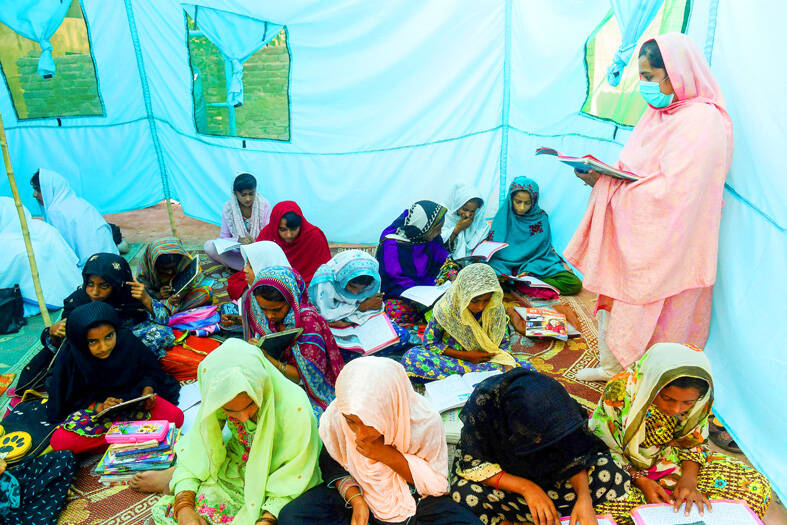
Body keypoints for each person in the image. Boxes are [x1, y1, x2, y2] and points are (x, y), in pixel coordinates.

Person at [565, 34, 733, 381]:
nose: (643, 85)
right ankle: (613, 367)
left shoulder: (702, 121)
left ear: (675, 74)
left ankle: (646, 379)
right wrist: (603, 178)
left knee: (658, 317)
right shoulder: (660, 113)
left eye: (648, 76)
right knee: (618, 302)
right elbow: (635, 169)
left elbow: (677, 195)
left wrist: (608, 187)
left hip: (670, 242)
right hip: (636, 230)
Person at [278, 357, 481, 525]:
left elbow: (435, 483)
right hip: (359, 490)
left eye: (369, 422)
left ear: (389, 408)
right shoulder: (339, 412)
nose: (359, 435)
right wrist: (357, 501)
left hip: (414, 499)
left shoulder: (423, 421)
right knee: (292, 517)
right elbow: (332, 463)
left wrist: (386, 455)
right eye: (351, 422)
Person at [589, 343, 772, 521]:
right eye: (667, 398)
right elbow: (603, 445)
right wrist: (641, 480)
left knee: (755, 487)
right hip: (625, 468)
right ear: (652, 384)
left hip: (674, 461)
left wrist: (689, 480)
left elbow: (694, 442)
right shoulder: (620, 392)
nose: (676, 409)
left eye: (687, 403)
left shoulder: (700, 401)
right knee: (600, 507)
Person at [150, 338, 322, 525]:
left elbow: (295, 474)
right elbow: (198, 447)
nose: (243, 418)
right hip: (238, 466)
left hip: (278, 477)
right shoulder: (220, 393)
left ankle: (173, 476)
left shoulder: (295, 408)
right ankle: (177, 477)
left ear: (261, 386)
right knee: (169, 517)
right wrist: (184, 506)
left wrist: (266, 519)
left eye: (250, 405)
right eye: (231, 411)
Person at [451, 369, 633, 525]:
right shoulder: (486, 409)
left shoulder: (557, 408)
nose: (539, 441)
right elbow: (472, 464)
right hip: (509, 485)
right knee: (463, 493)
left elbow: (576, 455)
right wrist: (528, 489)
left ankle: (560, 513)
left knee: (610, 471)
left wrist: (583, 498)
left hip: (556, 478)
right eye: (533, 436)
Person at [46, 302, 182, 454]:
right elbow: (68, 400)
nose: (104, 347)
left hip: (133, 402)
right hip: (94, 415)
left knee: (175, 416)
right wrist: (99, 407)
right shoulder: (71, 357)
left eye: (109, 336)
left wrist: (147, 391)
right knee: (60, 442)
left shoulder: (126, 341)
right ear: (80, 340)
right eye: (92, 341)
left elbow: (150, 371)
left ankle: (117, 440)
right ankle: (137, 437)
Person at [242, 265, 345, 417]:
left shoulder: (309, 324)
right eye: (264, 309)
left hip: (307, 389)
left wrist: (268, 359)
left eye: (276, 310)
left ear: (292, 300)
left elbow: (307, 379)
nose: (269, 316)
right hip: (276, 378)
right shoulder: (263, 316)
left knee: (298, 419)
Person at [402, 263, 531, 381]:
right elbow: (430, 343)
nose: (480, 307)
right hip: (453, 359)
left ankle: (468, 379)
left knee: (525, 367)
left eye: (486, 300)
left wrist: (506, 364)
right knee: (412, 358)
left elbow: (503, 343)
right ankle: (485, 378)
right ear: (462, 294)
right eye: (474, 301)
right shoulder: (445, 309)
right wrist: (467, 356)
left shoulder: (494, 308)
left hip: (486, 361)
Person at [44, 253, 174, 357]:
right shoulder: (77, 302)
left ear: (118, 284)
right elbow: (60, 346)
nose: (94, 292)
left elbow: (164, 321)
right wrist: (53, 333)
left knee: (160, 334)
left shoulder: (129, 296)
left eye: (104, 286)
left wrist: (147, 300)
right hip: (90, 356)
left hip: (125, 347)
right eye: (90, 284)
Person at [488, 176, 581, 296]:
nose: (522, 207)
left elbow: (542, 251)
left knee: (573, 284)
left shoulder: (540, 219)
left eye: (527, 203)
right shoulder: (503, 216)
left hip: (533, 263)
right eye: (518, 202)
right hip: (504, 265)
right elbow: (495, 249)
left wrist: (530, 271)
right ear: (511, 199)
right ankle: (518, 283)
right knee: (487, 276)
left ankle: (522, 283)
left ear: (534, 201)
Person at [308, 249, 412, 357]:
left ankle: (357, 355)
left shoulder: (371, 278)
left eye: (361, 289)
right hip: (335, 328)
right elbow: (324, 314)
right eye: (352, 286)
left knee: (402, 336)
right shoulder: (325, 280)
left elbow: (373, 310)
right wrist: (360, 307)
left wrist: (363, 311)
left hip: (361, 324)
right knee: (325, 345)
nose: (355, 292)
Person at [0, 197, 81, 316]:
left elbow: (4, 274)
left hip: (36, 300)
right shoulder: (42, 227)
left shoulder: (6, 241)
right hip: (69, 287)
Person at [376, 200, 449, 325]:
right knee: (396, 312)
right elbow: (395, 279)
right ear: (424, 227)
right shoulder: (391, 246)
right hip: (401, 295)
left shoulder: (431, 238)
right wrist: (419, 296)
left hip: (431, 292)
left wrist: (450, 276)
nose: (440, 233)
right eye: (437, 229)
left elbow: (444, 260)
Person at [30, 169, 118, 266]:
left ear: (50, 189)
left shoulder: (56, 212)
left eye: (38, 190)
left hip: (92, 266)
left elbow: (64, 253)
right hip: (112, 257)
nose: (34, 195)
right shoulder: (78, 202)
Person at [204, 173, 272, 270]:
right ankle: (249, 268)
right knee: (209, 246)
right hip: (239, 254)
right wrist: (238, 240)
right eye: (243, 195)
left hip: (259, 252)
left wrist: (256, 243)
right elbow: (224, 238)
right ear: (235, 193)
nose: (248, 199)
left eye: (251, 194)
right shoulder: (228, 208)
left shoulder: (264, 205)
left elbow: (268, 234)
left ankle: (249, 268)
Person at [255, 201, 330, 283]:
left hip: (307, 286)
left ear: (301, 226)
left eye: (294, 229)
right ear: (275, 226)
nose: (289, 235)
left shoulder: (313, 237)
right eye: (283, 230)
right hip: (272, 285)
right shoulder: (267, 236)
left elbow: (323, 274)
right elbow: (255, 266)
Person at [136, 237, 213, 314]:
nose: (170, 272)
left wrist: (180, 295)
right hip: (159, 304)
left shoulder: (184, 261)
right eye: (164, 269)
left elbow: (196, 280)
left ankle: (172, 313)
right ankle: (170, 313)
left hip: (179, 301)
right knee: (143, 310)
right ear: (154, 265)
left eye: (173, 267)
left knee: (206, 292)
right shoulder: (145, 271)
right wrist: (159, 295)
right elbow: (143, 297)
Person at [0, 452, 76, 525]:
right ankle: (57, 491)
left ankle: (57, 491)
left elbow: (2, 465)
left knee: (64, 458)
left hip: (11, 484)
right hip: (10, 514)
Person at [226, 240, 291, 301]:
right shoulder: (249, 295)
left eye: (251, 267)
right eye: (246, 264)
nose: (245, 269)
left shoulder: (281, 300)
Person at [441, 184, 489, 259]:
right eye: (465, 209)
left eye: (472, 211)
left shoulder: (478, 221)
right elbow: (439, 244)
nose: (467, 215)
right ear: (456, 205)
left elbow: (482, 232)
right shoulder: (444, 216)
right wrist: (457, 229)